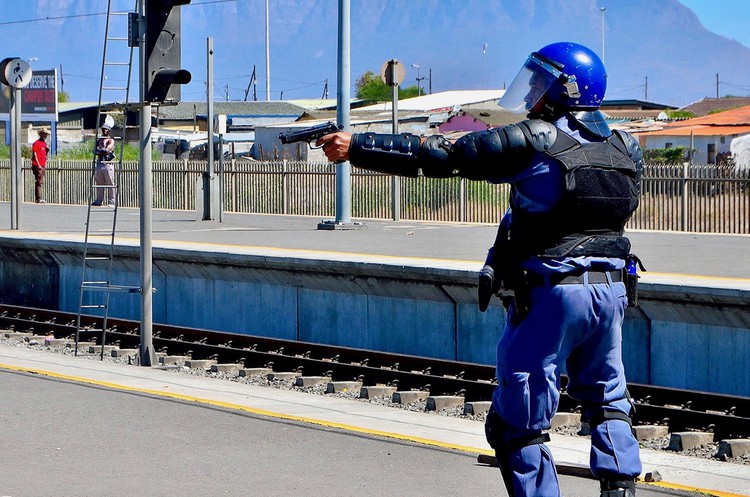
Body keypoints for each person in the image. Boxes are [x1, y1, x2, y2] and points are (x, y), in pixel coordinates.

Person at [317, 42, 643, 497]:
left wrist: (360, 147)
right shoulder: (625, 145)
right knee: (608, 402)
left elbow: (443, 155)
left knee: (518, 426)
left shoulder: (537, 139)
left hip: (552, 293)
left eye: (539, 82)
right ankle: (620, 489)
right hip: (611, 291)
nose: (531, 90)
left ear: (562, 88)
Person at [92, 123, 116, 207]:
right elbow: (94, 151)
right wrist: (100, 150)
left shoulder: (110, 140)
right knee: (99, 182)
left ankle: (112, 200)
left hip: (107, 163)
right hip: (99, 163)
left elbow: (107, 150)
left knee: (110, 182)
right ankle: (99, 200)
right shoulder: (99, 140)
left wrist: (101, 150)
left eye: (106, 129)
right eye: (103, 129)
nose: (104, 130)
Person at [31, 128, 50, 203]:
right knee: (39, 181)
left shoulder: (45, 144)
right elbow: (35, 154)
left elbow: (45, 155)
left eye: (45, 134)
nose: (44, 136)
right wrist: (38, 164)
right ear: (40, 134)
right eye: (43, 134)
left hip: (42, 164)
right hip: (37, 165)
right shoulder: (36, 143)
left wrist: (47, 150)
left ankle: (38, 197)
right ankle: (38, 198)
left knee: (40, 181)